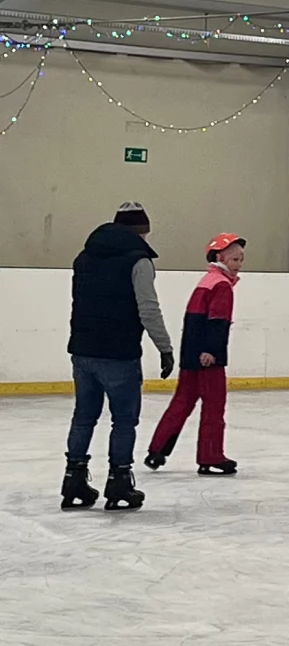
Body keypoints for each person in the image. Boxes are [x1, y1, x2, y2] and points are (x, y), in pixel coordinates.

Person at [61, 202, 174, 512]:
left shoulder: (84, 258)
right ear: (141, 231)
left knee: (84, 417)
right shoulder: (139, 261)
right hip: (119, 354)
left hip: (82, 351)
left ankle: (73, 481)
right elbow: (148, 309)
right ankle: (119, 483)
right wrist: (164, 347)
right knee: (124, 421)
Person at [145, 233, 246, 476]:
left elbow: (193, 322)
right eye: (235, 260)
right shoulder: (221, 285)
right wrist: (210, 351)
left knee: (182, 402)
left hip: (191, 354)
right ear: (220, 257)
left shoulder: (206, 280)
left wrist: (194, 352)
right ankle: (210, 456)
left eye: (241, 260)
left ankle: (157, 451)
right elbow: (217, 321)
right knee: (214, 406)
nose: (239, 264)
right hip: (207, 358)